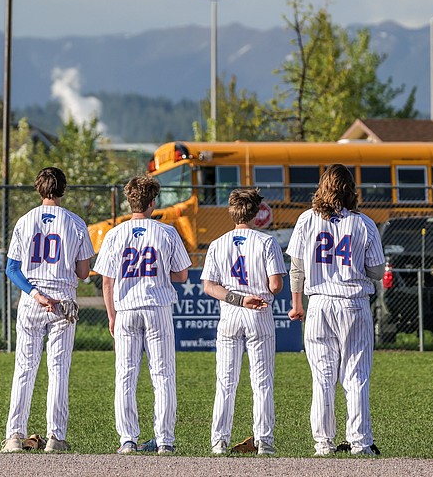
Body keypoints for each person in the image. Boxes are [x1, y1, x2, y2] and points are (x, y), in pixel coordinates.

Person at [286, 163, 385, 457]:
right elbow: (378, 270)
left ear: (322, 188)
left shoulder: (307, 220)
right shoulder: (363, 223)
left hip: (318, 303)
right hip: (353, 302)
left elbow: (296, 268)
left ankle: (323, 444)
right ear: (350, 190)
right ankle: (360, 442)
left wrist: (296, 304)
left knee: (323, 378)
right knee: (356, 376)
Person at [1, 167, 95, 454]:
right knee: (58, 370)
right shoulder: (76, 223)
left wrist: (34, 293)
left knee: (24, 370)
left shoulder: (25, 220)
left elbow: (12, 269)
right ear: (63, 189)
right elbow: (83, 271)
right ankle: (55, 437)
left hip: (32, 299)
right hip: (62, 300)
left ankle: (14, 437)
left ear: (38, 189)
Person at [95, 175, 191, 455]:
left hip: (125, 308)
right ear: (153, 202)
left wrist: (111, 316)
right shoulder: (166, 232)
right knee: (162, 375)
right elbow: (182, 274)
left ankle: (128, 439)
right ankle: (165, 440)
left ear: (130, 201)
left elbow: (107, 281)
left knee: (125, 375)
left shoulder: (115, 233)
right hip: (156, 306)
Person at [201, 188, 287, 456]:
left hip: (231, 311)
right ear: (257, 212)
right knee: (261, 382)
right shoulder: (266, 242)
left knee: (226, 382)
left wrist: (237, 298)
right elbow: (275, 285)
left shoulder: (218, 243)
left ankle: (219, 441)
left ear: (232, 212)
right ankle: (264, 442)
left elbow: (209, 286)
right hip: (258, 311)